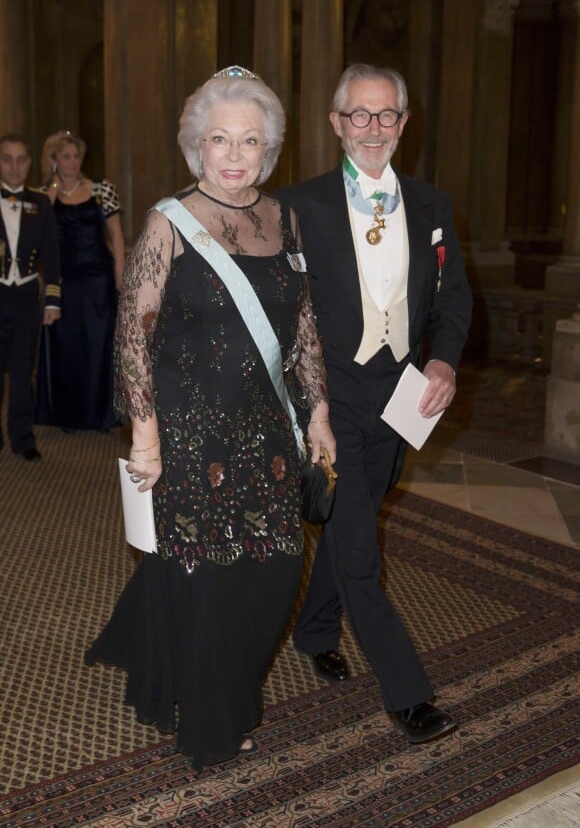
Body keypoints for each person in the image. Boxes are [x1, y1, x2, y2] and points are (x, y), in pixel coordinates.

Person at [85, 66, 336, 770]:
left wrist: (317, 411)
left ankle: (168, 658)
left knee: (274, 579)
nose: (233, 153)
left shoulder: (284, 221)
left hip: (269, 434)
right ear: (198, 146)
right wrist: (145, 433)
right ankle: (213, 721)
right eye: (219, 138)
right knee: (210, 586)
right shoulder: (171, 221)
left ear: (269, 149)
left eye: (249, 140)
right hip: (192, 437)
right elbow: (134, 329)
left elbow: (304, 324)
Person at [277, 63, 473, 743]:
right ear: (336, 124)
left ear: (403, 124)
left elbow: (453, 298)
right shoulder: (299, 206)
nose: (373, 128)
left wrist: (443, 359)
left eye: (387, 115)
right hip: (330, 395)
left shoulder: (432, 205)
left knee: (354, 511)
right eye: (359, 115)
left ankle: (315, 629)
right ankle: (409, 695)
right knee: (360, 543)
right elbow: (282, 314)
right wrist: (301, 403)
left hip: (402, 392)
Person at [34, 130, 125, 431]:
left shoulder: (102, 189)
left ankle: (100, 415)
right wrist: (54, 186)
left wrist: (120, 279)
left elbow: (117, 236)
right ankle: (68, 415)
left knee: (99, 345)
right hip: (62, 282)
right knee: (67, 347)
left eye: (76, 156)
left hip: (98, 278)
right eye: (65, 156)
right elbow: (37, 232)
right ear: (54, 161)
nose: (73, 161)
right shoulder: (44, 194)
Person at [0, 134, 61, 461]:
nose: (14, 166)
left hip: (25, 296)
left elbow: (52, 254)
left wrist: (52, 300)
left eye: (20, 159)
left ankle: (23, 438)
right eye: (6, 158)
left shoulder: (41, 204)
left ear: (28, 163)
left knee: (23, 373)